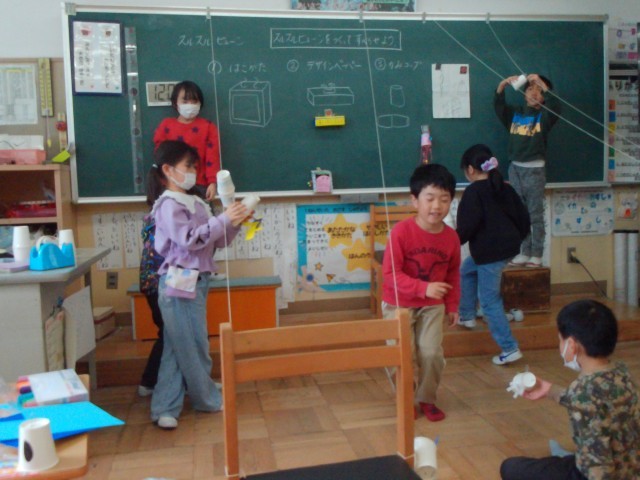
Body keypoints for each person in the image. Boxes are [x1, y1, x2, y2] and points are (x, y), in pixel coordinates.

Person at [148, 140, 248, 430]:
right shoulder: (168, 204)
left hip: (197, 280)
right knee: (191, 345)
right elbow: (189, 240)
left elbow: (217, 241)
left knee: (178, 345)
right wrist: (223, 219)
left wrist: (234, 221)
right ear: (168, 170)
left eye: (195, 166)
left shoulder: (197, 202)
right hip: (178, 280)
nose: (194, 171)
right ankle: (205, 399)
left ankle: (165, 406)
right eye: (188, 166)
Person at [500, 299, 640, 480]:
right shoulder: (621, 373)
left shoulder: (583, 392)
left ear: (572, 345)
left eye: (561, 340)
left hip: (594, 474)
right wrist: (549, 390)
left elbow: (599, 468)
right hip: (631, 467)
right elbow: (595, 402)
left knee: (511, 467)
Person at [381, 163, 460, 422]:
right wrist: (424, 287)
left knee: (431, 352)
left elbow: (453, 274)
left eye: (444, 199)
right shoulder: (400, 233)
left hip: (433, 305)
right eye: (430, 198)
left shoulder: (451, 238)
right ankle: (406, 395)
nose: (437, 206)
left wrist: (452, 305)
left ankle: (426, 398)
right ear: (414, 200)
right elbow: (390, 274)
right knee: (400, 354)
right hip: (398, 303)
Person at [456, 144, 530, 365]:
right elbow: (524, 218)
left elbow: (466, 227)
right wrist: (515, 240)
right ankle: (467, 315)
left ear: (470, 169)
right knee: (467, 270)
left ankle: (509, 348)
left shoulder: (473, 192)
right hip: (506, 248)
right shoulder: (504, 188)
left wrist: (451, 242)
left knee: (489, 302)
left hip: (490, 253)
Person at [494, 73, 560, 268]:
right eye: (530, 89)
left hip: (534, 171)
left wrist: (542, 84)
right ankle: (524, 251)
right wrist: (502, 86)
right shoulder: (515, 114)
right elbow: (499, 107)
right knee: (519, 213)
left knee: (535, 214)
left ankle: (536, 254)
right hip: (515, 169)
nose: (534, 93)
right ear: (524, 94)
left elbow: (556, 106)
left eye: (539, 91)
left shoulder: (544, 117)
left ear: (544, 96)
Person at [154, 80, 221, 202]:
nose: (190, 105)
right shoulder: (166, 125)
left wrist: (212, 182)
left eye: (194, 101)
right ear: (175, 103)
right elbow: (160, 155)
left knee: (202, 213)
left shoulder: (208, 127)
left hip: (200, 185)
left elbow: (213, 157)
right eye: (185, 101)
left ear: (200, 103)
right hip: (173, 184)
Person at [136, 189, 165, 397]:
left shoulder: (153, 215)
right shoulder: (164, 216)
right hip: (157, 284)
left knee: (169, 332)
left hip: (152, 283)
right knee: (169, 333)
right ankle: (149, 381)